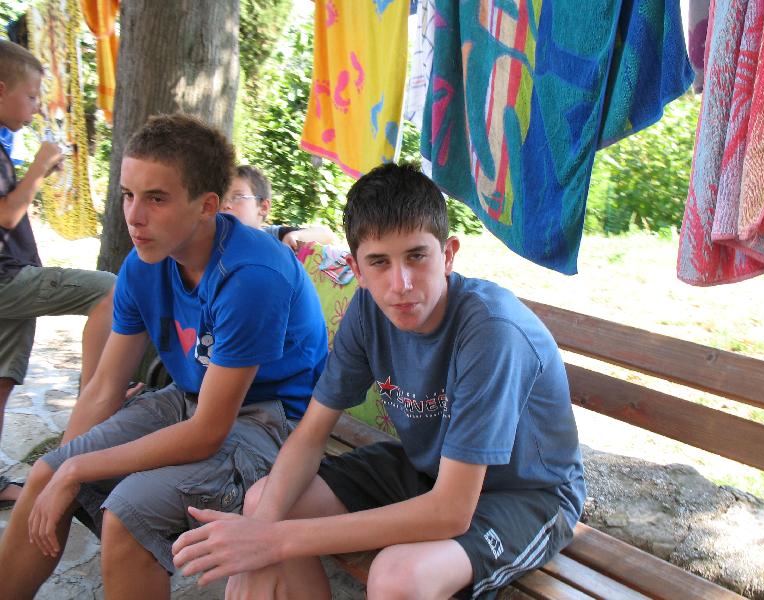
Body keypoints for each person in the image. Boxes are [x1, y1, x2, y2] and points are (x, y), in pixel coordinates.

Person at [172, 162, 586, 599]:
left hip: (526, 495)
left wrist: (272, 541)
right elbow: (310, 435)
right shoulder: (368, 312)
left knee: (396, 576)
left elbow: (451, 511)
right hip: (430, 469)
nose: (400, 283)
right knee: (264, 502)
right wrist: (257, 536)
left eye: (416, 256)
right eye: (379, 262)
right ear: (358, 269)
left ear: (448, 254)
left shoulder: (491, 331)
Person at [0, 113, 329, 599]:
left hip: (273, 423)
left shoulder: (251, 276)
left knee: (129, 513)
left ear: (207, 205)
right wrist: (64, 466)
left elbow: (208, 431)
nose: (134, 216)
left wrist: (78, 469)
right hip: (189, 397)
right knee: (46, 474)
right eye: (128, 195)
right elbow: (106, 387)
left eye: (156, 198)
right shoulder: (143, 265)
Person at [0, 40, 115, 507]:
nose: (34, 107)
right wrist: (38, 167)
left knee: (2, 380)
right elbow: (7, 215)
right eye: (30, 96)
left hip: (12, 277)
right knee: (109, 289)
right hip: (7, 280)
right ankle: (93, 406)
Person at [222, 164, 339, 251]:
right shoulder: (218, 244)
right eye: (222, 198)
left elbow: (327, 235)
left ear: (263, 207)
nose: (225, 205)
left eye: (237, 197)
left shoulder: (275, 236)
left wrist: (296, 236)